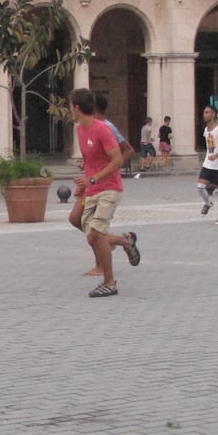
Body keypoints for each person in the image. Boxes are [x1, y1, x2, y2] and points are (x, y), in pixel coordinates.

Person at [70, 88, 140, 298]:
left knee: (97, 234)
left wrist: (93, 179)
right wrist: (85, 184)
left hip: (109, 188)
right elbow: (91, 162)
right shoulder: (80, 130)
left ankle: (109, 282)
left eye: (70, 106)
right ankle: (125, 241)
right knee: (89, 232)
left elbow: (118, 159)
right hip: (92, 189)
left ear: (76, 107)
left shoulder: (103, 129)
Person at [197, 105, 218, 225]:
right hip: (208, 162)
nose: (204, 114)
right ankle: (208, 203)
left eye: (207, 112)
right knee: (200, 186)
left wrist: (217, 155)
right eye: (204, 112)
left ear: (213, 114)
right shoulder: (206, 130)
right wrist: (209, 156)